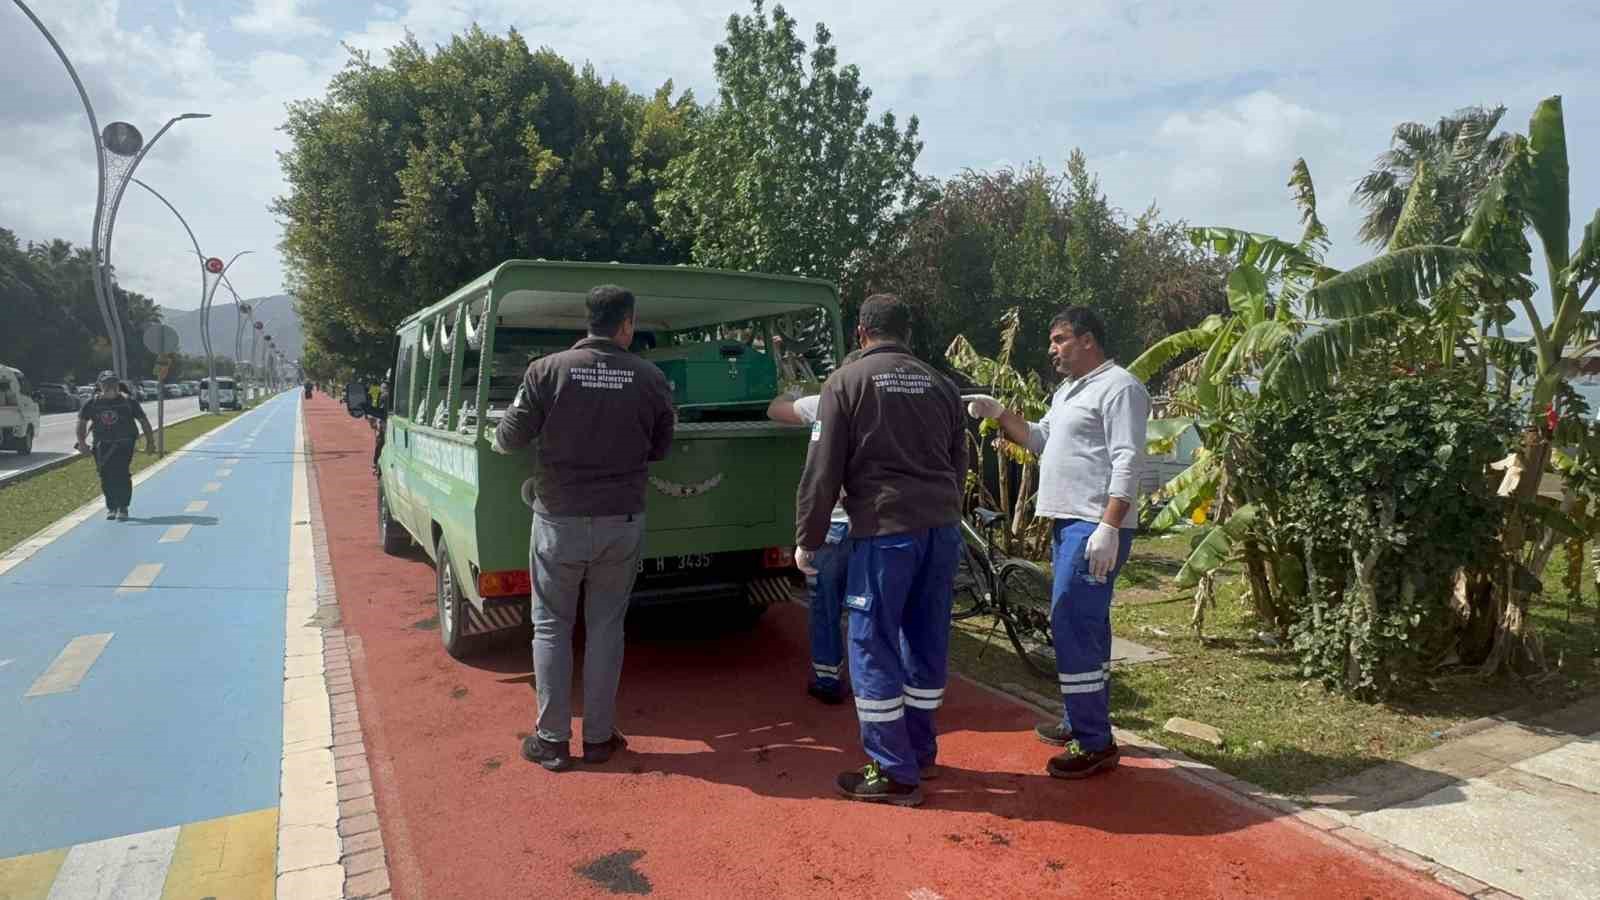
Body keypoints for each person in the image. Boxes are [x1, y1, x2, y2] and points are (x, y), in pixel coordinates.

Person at [494, 284, 676, 772]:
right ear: (627, 324)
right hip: (622, 519)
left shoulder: (545, 370)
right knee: (606, 628)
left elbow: (509, 437)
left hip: (559, 520)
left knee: (551, 625)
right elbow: (661, 448)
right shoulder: (651, 377)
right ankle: (598, 739)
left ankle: (552, 740)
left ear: (588, 320)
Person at [795, 294, 966, 807]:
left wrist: (808, 538)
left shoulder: (845, 382)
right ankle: (920, 751)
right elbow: (958, 463)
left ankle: (893, 770)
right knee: (926, 637)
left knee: (871, 641)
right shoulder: (942, 384)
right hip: (941, 527)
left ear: (861, 332)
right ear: (906, 332)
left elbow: (822, 471)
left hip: (885, 530)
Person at [966, 307, 1149, 779]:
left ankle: (1095, 743)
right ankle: (1081, 718)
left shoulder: (1120, 388)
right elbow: (1040, 439)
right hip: (1068, 523)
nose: (1052, 349)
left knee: (1071, 622)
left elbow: (1128, 460)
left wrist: (1110, 527)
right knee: (1087, 625)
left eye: (1060, 339)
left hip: (1094, 525)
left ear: (1088, 340)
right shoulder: (1069, 390)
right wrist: (999, 413)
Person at [765, 349, 864, 706]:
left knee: (824, 607)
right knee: (866, 606)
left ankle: (827, 679)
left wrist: (790, 392)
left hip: (831, 525)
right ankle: (871, 680)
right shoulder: (882, 408)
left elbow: (774, 410)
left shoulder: (822, 402)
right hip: (870, 525)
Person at [75, 372, 155, 521]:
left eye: (113, 383)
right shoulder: (92, 403)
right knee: (105, 475)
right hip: (101, 445)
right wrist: (82, 443)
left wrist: (150, 442)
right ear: (100, 385)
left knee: (121, 473)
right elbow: (81, 423)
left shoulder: (129, 402)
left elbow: (143, 421)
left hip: (124, 443)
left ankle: (123, 506)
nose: (109, 386)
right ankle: (112, 507)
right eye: (106, 384)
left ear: (118, 385)